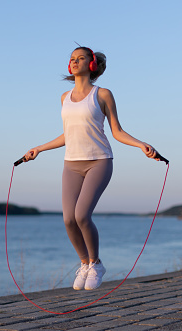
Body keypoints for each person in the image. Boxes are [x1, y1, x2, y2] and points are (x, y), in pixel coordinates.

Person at [23, 46, 161, 291]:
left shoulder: (103, 94)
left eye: (80, 58)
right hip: (71, 164)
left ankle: (96, 264)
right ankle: (84, 263)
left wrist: (141, 145)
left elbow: (116, 131)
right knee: (68, 219)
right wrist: (39, 149)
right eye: (72, 59)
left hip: (99, 161)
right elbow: (68, 134)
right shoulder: (64, 98)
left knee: (82, 216)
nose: (75, 62)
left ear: (92, 64)